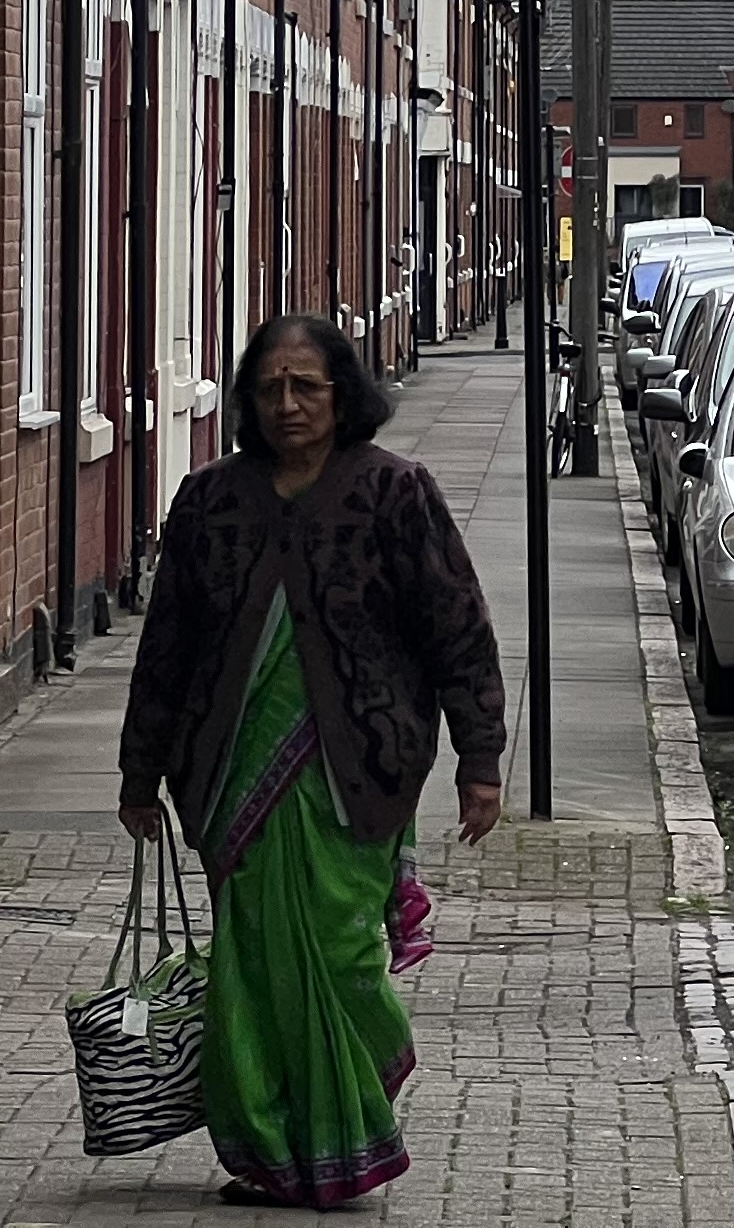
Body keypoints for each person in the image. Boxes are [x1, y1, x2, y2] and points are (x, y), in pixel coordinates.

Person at [120, 315, 507, 1208]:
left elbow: (458, 629)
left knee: (342, 957)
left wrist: (480, 759)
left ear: (343, 394)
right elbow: (168, 646)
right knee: (252, 962)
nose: (287, 404)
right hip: (229, 775)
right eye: (270, 389)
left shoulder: (395, 492)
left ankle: (341, 1133)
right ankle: (269, 1150)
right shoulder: (209, 501)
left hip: (359, 770)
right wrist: (139, 772)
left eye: (306, 386)